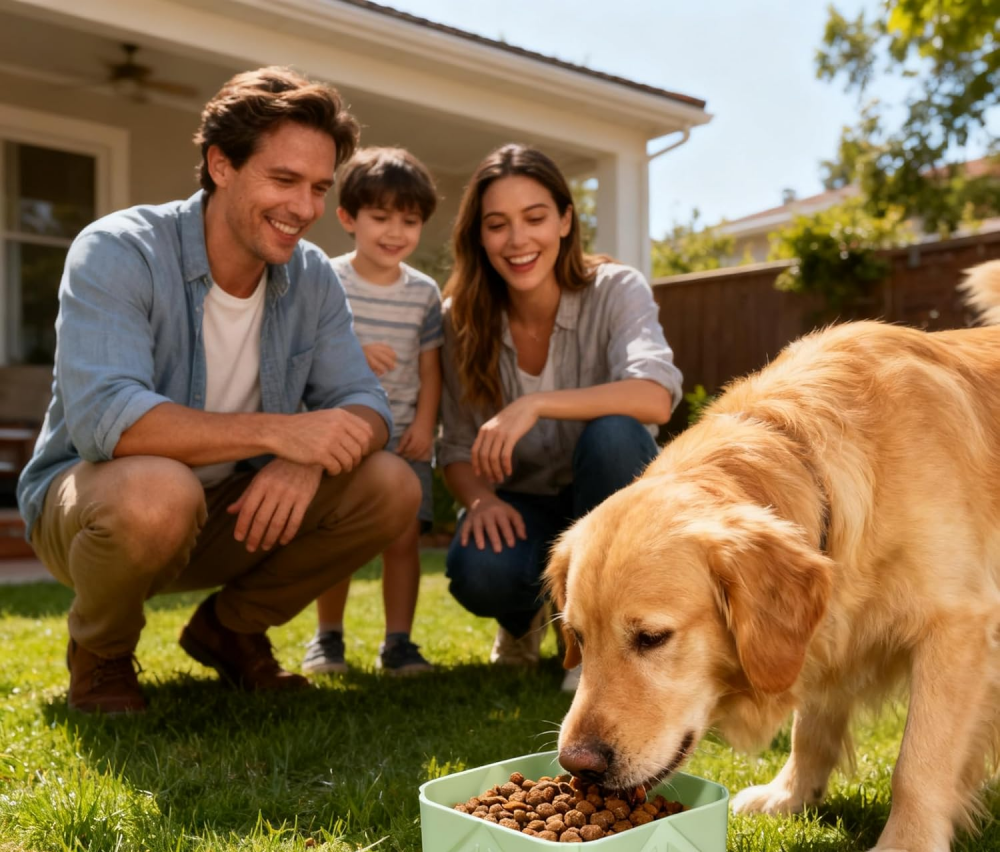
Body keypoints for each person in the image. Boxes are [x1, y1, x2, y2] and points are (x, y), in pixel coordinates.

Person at [16, 67, 421, 715]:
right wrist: (280, 432)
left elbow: (365, 405)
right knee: (158, 490)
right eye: (284, 180)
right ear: (221, 165)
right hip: (101, 509)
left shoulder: (312, 277)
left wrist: (302, 459)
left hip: (233, 512)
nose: (305, 208)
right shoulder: (120, 251)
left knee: (393, 484)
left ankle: (229, 632)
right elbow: (108, 422)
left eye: (318, 187)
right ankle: (102, 652)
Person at [438, 144, 683, 691]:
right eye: (497, 224)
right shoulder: (458, 321)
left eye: (535, 217)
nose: (518, 240)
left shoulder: (616, 289)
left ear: (566, 220)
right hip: (521, 503)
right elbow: (454, 447)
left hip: (606, 498)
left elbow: (654, 397)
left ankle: (600, 640)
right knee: (480, 570)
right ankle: (521, 620)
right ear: (479, 236)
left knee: (615, 435)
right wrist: (480, 500)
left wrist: (536, 402)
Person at [301, 147, 442, 677]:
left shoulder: (424, 293)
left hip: (405, 436)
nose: (394, 231)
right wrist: (353, 354)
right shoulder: (326, 279)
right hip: (342, 435)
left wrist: (427, 424)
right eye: (380, 217)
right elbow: (308, 353)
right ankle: (327, 639)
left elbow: (432, 368)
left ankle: (398, 643)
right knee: (338, 538)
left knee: (403, 541)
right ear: (347, 218)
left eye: (409, 221)